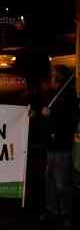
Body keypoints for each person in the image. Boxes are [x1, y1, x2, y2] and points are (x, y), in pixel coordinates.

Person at [40, 65, 77, 228]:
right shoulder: (53, 95)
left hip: (62, 147)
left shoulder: (69, 98)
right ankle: (52, 209)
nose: (51, 79)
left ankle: (66, 213)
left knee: (62, 182)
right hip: (51, 146)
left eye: (54, 77)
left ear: (60, 79)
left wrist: (51, 115)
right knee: (49, 179)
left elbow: (69, 121)